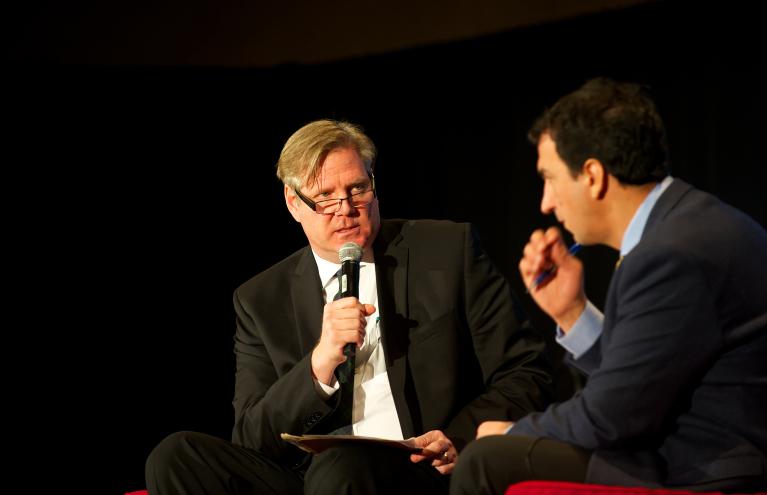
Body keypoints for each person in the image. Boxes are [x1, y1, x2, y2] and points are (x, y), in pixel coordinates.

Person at [145, 119, 553, 494]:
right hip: (307, 476)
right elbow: (252, 440)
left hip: (415, 467)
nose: (346, 208)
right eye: (325, 197)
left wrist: (459, 437)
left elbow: (526, 370)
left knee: (341, 466)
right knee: (176, 456)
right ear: (293, 203)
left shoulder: (446, 251)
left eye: (358, 188)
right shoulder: (258, 299)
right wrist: (318, 366)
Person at [450, 78, 767, 494]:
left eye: (549, 178)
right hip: (682, 453)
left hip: (704, 472)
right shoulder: (686, 225)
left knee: (486, 459)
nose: (545, 202)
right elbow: (639, 383)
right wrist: (572, 312)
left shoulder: (670, 253)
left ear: (593, 175)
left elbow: (611, 418)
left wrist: (509, 431)